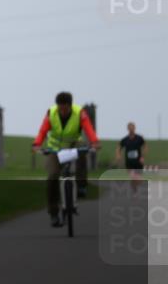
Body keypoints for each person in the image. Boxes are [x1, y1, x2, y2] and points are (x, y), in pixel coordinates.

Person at [31, 92, 101, 227]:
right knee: (52, 176)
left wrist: (95, 142)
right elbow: (42, 131)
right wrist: (37, 144)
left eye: (65, 109)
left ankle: (81, 185)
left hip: (73, 144)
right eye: (60, 108)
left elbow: (89, 129)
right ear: (57, 106)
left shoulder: (80, 113)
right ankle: (53, 213)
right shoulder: (51, 113)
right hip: (55, 149)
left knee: (83, 149)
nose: (62, 111)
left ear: (70, 106)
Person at [116, 121, 147, 194]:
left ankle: (136, 188)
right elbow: (119, 147)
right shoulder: (125, 139)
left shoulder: (139, 138)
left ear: (135, 128)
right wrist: (118, 155)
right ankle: (135, 192)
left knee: (138, 179)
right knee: (133, 177)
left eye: (132, 128)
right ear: (127, 129)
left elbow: (145, 147)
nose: (131, 129)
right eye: (129, 128)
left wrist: (142, 157)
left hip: (138, 162)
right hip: (129, 162)